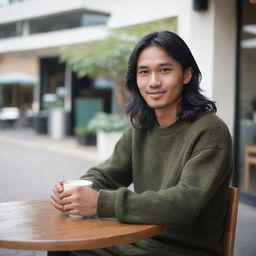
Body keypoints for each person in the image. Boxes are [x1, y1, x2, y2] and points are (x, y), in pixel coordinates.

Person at [50, 31, 233, 256]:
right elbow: (107, 175)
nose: (154, 82)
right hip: (137, 239)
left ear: (186, 74)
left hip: (181, 249)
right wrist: (77, 190)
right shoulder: (141, 127)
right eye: (144, 72)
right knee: (62, 245)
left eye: (165, 70)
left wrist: (101, 202)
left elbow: (185, 203)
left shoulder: (210, 131)